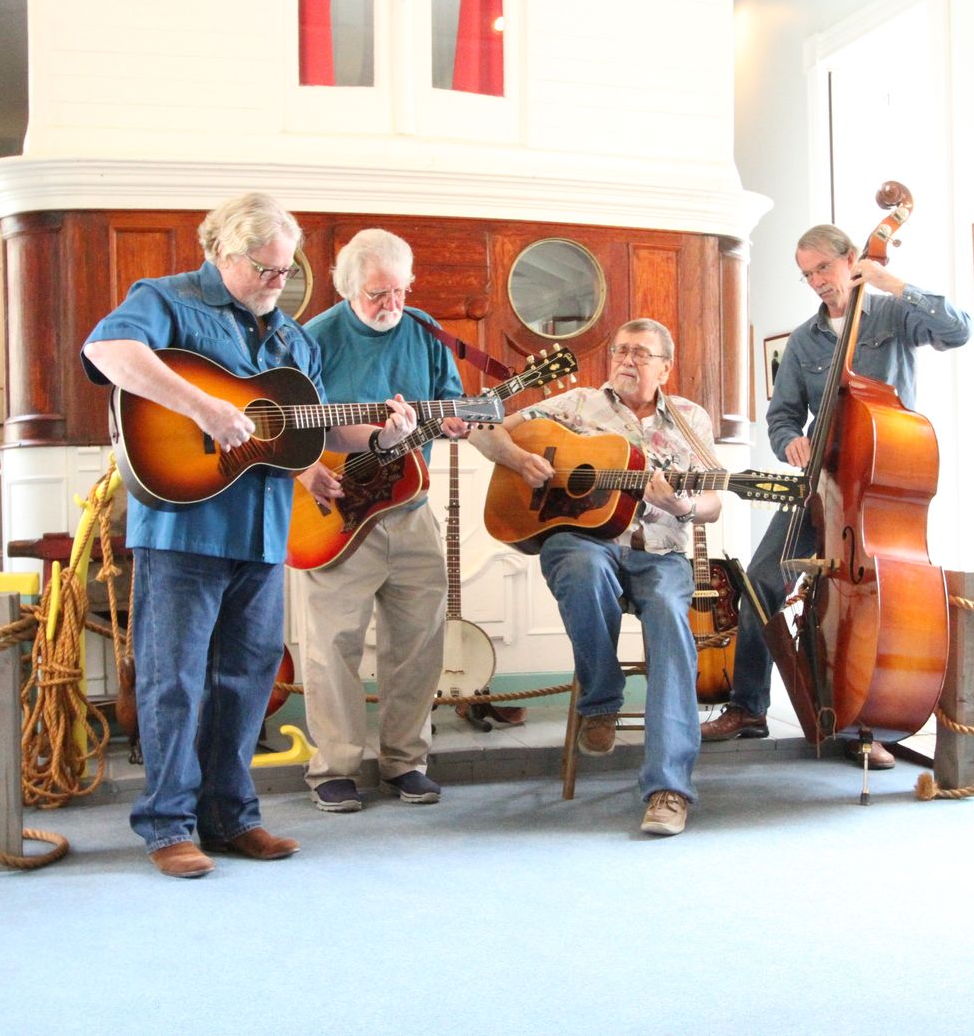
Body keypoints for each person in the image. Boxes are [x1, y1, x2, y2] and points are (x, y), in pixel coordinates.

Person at [81, 194, 416, 878]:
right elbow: (106, 349)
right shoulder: (167, 300)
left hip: (262, 533)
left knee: (247, 678)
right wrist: (202, 406)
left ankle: (231, 816)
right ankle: (168, 825)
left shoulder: (292, 339)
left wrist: (386, 436)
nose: (277, 283)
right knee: (173, 680)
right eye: (265, 270)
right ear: (222, 253)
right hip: (183, 527)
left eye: (286, 271)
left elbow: (318, 426)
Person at [701, 223, 971, 768]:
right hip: (818, 485)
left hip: (876, 490)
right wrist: (790, 441)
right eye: (807, 275)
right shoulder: (805, 340)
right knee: (761, 580)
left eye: (822, 268)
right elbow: (781, 417)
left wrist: (894, 283)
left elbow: (958, 331)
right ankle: (749, 706)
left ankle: (868, 716)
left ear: (851, 258)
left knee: (875, 600)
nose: (817, 282)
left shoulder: (892, 315)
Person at [472, 318, 721, 836]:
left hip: (660, 555)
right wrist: (520, 459)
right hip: (591, 545)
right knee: (577, 562)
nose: (627, 360)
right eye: (621, 351)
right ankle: (602, 698)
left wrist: (683, 505)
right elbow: (482, 426)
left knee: (671, 623)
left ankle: (669, 789)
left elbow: (714, 501)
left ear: (665, 368)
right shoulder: (577, 404)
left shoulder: (690, 417)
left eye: (641, 353)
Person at [295, 229, 469, 814]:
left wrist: (453, 423)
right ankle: (334, 768)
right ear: (348, 288)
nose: (392, 304)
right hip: (335, 510)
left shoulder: (424, 330)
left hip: (410, 509)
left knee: (419, 641)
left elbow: (450, 402)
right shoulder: (314, 339)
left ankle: (406, 762)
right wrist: (309, 471)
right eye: (377, 294)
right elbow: (288, 426)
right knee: (333, 645)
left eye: (400, 290)